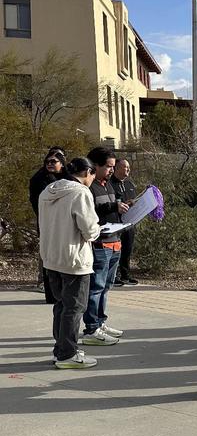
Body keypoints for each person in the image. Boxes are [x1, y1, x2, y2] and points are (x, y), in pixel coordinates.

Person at [38, 158, 102, 368]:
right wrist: (98, 230)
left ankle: (61, 349)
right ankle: (67, 354)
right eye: (93, 175)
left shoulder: (48, 190)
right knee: (74, 307)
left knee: (62, 305)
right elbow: (90, 229)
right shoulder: (80, 192)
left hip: (51, 256)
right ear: (88, 172)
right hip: (74, 258)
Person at [81, 147, 125, 347]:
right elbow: (90, 213)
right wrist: (112, 207)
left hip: (115, 240)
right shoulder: (88, 188)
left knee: (106, 287)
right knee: (96, 287)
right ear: (95, 166)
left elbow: (111, 210)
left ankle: (100, 322)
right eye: (108, 167)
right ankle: (91, 328)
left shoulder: (108, 185)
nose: (111, 170)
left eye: (112, 167)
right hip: (99, 244)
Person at [29, 148, 66, 301]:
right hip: (47, 223)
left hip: (65, 224)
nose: (50, 164)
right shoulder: (39, 179)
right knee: (47, 255)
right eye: (47, 161)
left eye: (55, 160)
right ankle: (47, 286)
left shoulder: (67, 177)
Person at [111, 159, 139, 285]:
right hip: (116, 223)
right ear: (116, 168)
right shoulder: (110, 184)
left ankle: (125, 274)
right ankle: (115, 275)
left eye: (128, 167)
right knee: (116, 250)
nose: (128, 169)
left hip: (130, 223)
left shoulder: (130, 185)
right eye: (124, 167)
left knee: (127, 249)